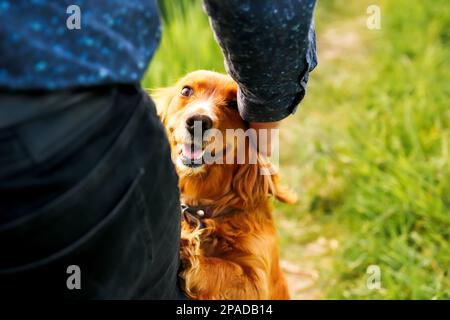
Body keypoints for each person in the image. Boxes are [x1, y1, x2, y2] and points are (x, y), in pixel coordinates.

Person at [0, 0, 317, 298]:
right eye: (187, 92)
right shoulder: (154, 179)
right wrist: (270, 103)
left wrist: (191, 261)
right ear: (162, 117)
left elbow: (249, 289)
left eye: (232, 105)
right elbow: (265, 12)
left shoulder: (250, 209)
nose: (201, 114)